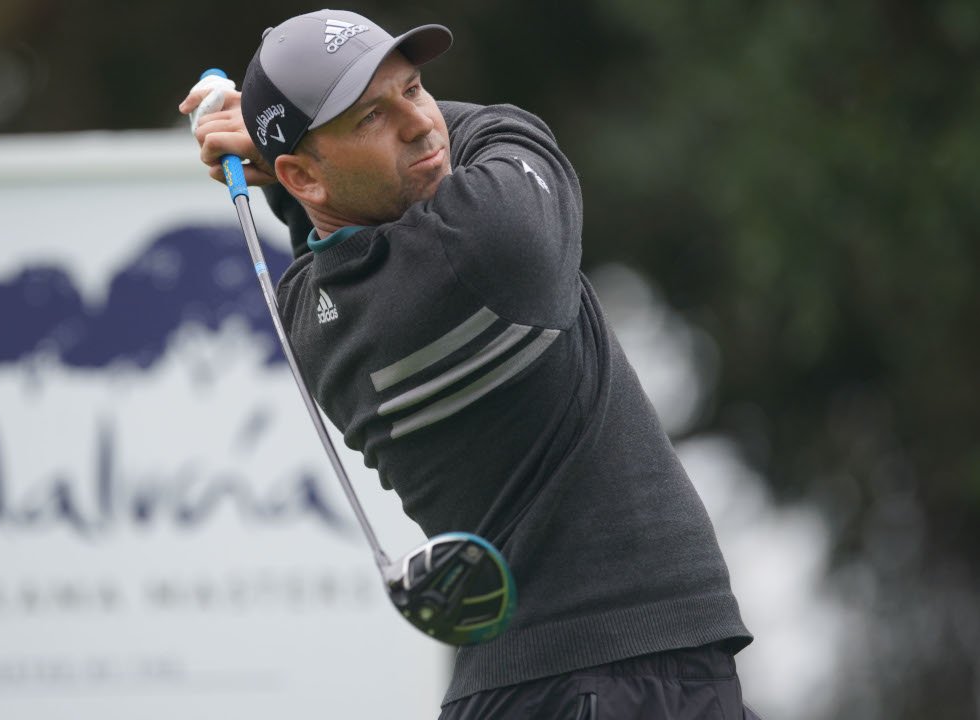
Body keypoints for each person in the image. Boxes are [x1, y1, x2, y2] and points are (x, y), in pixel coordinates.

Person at [181, 9, 760, 719]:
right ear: (305, 174)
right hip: (614, 677)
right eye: (372, 117)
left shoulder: (307, 309)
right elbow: (509, 129)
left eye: (415, 88)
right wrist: (269, 140)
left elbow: (334, 219)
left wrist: (281, 152)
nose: (421, 124)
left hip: (544, 683)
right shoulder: (489, 245)